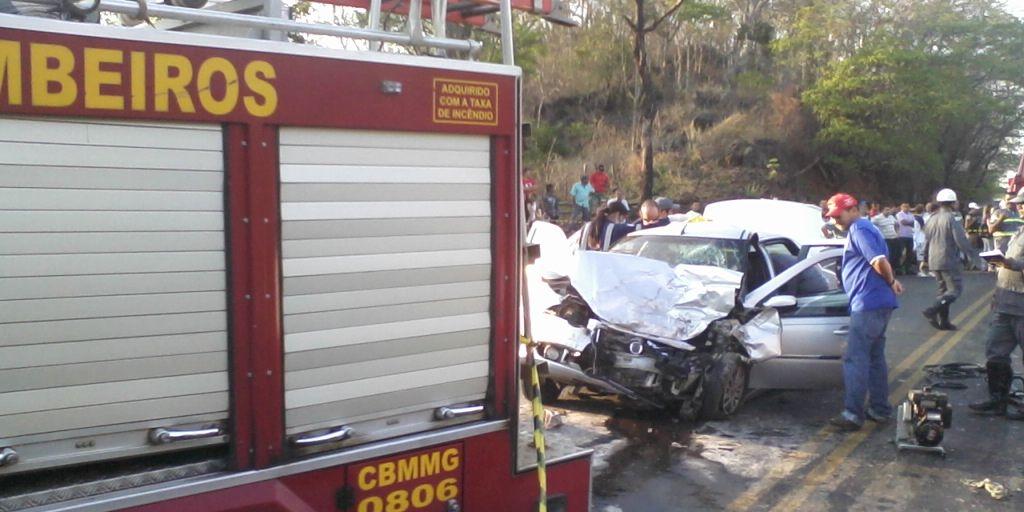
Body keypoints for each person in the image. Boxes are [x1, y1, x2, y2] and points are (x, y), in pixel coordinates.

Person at [824, 193, 902, 431]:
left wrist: (890, 281)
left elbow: (877, 261)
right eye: (832, 217)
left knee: (855, 358)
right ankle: (879, 409)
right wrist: (891, 283)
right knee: (875, 358)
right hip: (877, 302)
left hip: (867, 303)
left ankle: (852, 414)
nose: (836, 220)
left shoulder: (859, 229)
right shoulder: (863, 227)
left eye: (839, 215)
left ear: (853, 210)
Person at [969, 190, 1024, 420]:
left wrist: (1009, 262)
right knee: (995, 352)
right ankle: (998, 399)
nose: (1020, 207)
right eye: (1019, 204)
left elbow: (1015, 263)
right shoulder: (1019, 231)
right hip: (1005, 303)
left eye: (1023, 204)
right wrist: (996, 295)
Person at [923, 188, 983, 330]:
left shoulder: (932, 218)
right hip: (948, 259)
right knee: (955, 290)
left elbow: (927, 240)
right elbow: (961, 240)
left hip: (934, 259)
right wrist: (974, 257)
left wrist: (925, 259)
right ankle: (932, 310)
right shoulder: (952, 218)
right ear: (952, 203)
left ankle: (944, 321)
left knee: (943, 292)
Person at [872, 207, 901, 274]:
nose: (888, 211)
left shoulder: (891, 217)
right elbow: (871, 225)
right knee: (889, 255)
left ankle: (894, 269)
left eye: (889, 210)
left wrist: (897, 233)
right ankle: (888, 270)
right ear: (882, 211)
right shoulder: (877, 218)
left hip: (894, 238)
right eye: (886, 210)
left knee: (896, 254)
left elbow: (897, 224)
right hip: (885, 239)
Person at [896, 203, 916, 274]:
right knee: (901, 253)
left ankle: (908, 268)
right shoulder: (899, 214)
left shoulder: (911, 214)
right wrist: (909, 223)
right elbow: (903, 222)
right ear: (901, 207)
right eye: (904, 207)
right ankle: (900, 268)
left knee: (910, 253)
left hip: (910, 235)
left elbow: (914, 223)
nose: (906, 208)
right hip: (902, 235)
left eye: (907, 207)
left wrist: (909, 223)